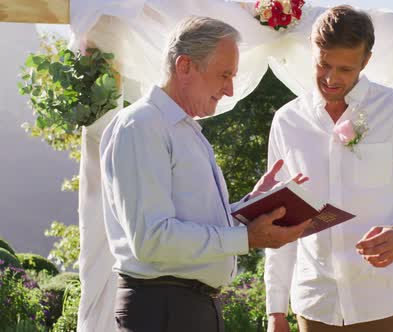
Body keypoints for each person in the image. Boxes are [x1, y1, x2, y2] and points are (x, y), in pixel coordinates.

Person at [100, 16, 310, 332]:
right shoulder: (142, 125)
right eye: (224, 75)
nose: (230, 90)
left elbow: (193, 223)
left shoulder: (187, 131)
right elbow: (152, 240)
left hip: (189, 308)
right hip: (161, 311)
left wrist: (250, 207)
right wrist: (247, 238)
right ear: (185, 66)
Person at [264, 6, 393, 332]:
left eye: (344, 69)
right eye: (323, 64)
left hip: (388, 303)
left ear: (366, 62)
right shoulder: (287, 121)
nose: (331, 78)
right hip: (314, 307)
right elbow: (280, 216)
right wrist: (275, 310)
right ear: (312, 51)